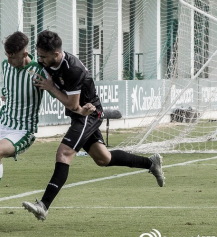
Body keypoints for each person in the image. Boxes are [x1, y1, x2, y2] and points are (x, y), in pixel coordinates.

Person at [0, 31, 93, 229]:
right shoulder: (6, 66)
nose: (9, 60)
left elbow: (64, 97)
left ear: (25, 53)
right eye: (7, 56)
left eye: (13, 56)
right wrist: (5, 95)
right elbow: (8, 88)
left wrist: (81, 109)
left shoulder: (39, 71)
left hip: (22, 131)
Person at [22, 30, 165, 221]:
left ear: (56, 54)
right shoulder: (46, 60)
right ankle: (151, 163)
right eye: (38, 55)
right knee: (103, 159)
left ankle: (43, 206)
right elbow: (30, 63)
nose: (40, 59)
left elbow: (73, 105)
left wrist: (51, 87)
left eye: (43, 56)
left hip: (89, 114)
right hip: (79, 115)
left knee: (63, 153)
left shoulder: (73, 69)